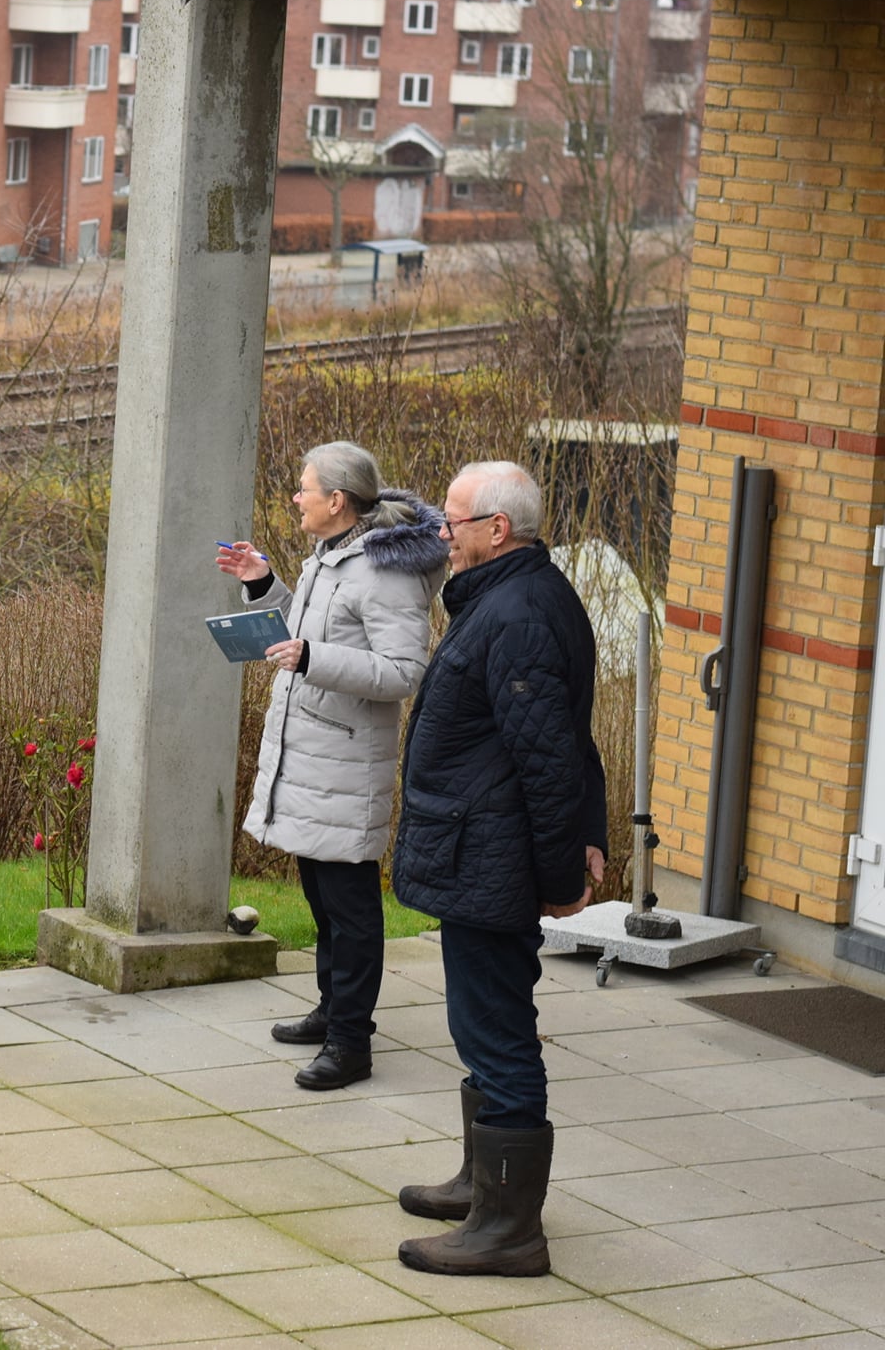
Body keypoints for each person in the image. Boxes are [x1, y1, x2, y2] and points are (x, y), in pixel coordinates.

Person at [390, 460, 606, 1279]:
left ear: (496, 530)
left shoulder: (514, 614)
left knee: (499, 1036)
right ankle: (484, 1187)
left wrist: (559, 875)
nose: (443, 533)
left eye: (453, 520)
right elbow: (571, 738)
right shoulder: (525, 594)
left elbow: (551, 760)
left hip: (491, 859)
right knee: (484, 1029)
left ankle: (509, 1229)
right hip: (480, 852)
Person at [216, 442, 446, 1090]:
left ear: (337, 501)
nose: (296, 496)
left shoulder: (385, 573)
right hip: (312, 758)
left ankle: (352, 1042)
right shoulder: (331, 557)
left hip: (345, 764)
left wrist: (314, 658)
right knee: (320, 897)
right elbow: (307, 628)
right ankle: (331, 1008)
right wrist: (262, 582)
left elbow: (404, 670)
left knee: (350, 910)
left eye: (304, 487)